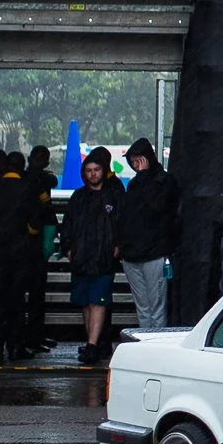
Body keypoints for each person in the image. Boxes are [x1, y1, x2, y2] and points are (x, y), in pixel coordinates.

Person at [59, 148, 125, 362]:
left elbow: (121, 223)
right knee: (87, 303)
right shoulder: (78, 197)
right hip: (81, 258)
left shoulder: (113, 195)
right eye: (88, 170)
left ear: (102, 170)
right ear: (83, 172)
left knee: (97, 302)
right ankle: (91, 343)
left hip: (102, 258)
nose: (93, 174)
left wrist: (117, 245)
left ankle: (92, 344)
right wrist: (68, 248)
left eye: (96, 169)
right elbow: (67, 225)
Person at [0, 151, 43, 364]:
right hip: (21, 251)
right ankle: (16, 346)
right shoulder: (27, 187)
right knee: (17, 300)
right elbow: (36, 221)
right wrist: (27, 232)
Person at [114, 137, 180, 331]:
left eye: (139, 161)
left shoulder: (165, 181)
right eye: (133, 162)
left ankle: (156, 340)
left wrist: (143, 178)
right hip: (133, 253)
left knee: (156, 305)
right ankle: (146, 337)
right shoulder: (134, 184)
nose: (135, 165)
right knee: (143, 305)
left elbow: (157, 207)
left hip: (154, 252)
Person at [23, 146, 57, 351]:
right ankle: (31, 337)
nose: (45, 162)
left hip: (37, 238)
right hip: (30, 241)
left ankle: (36, 335)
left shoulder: (38, 178)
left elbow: (52, 181)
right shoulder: (29, 180)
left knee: (38, 292)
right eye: (42, 158)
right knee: (34, 291)